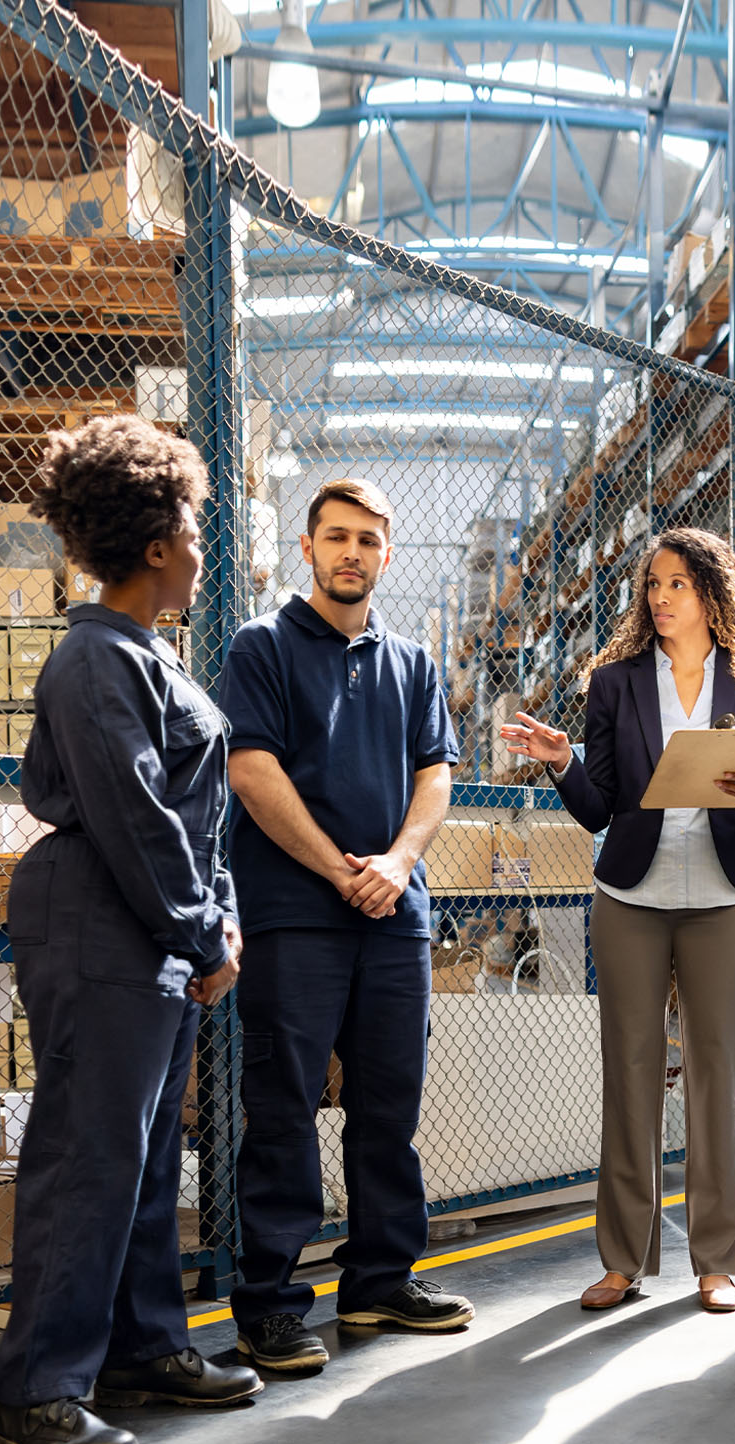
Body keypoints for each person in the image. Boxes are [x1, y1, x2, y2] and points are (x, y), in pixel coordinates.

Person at [0, 416, 260, 1444]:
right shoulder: (96, 663)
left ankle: (145, 1347)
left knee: (147, 1155)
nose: (201, 546)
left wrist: (217, 916)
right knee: (87, 1155)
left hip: (150, 925)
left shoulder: (147, 657)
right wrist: (203, 931)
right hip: (102, 918)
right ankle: (40, 1393)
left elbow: (197, 820)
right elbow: (138, 819)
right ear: (156, 546)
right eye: (192, 527)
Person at [220, 478, 472, 1372]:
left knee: (386, 1106)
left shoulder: (412, 664)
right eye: (337, 537)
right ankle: (271, 1305)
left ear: (387, 554)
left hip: (393, 918)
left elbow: (435, 774)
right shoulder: (263, 648)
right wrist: (338, 869)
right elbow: (251, 769)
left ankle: (377, 1283)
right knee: (283, 1108)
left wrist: (398, 865)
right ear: (308, 548)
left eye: (368, 540)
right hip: (295, 916)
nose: (352, 553)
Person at [500, 527, 735, 1315]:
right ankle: (623, 1260)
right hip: (631, 897)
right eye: (652, 585)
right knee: (628, 1081)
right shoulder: (615, 683)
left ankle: (716, 1261)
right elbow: (600, 806)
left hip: (725, 900)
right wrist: (562, 763)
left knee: (713, 1079)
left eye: (676, 586)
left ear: (711, 594)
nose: (659, 598)